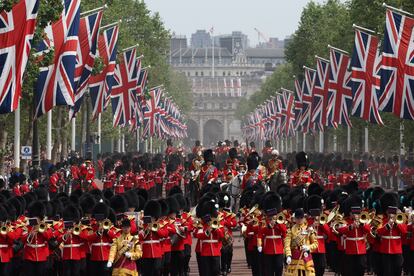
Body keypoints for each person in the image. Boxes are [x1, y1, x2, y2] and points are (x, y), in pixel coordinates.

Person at [284, 208, 318, 276]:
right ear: (295, 219)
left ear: (304, 218)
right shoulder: (290, 231)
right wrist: (288, 255)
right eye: (297, 218)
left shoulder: (309, 230)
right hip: (295, 257)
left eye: (301, 218)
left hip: (306, 257)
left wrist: (309, 247)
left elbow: (316, 244)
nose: (299, 220)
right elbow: (287, 245)